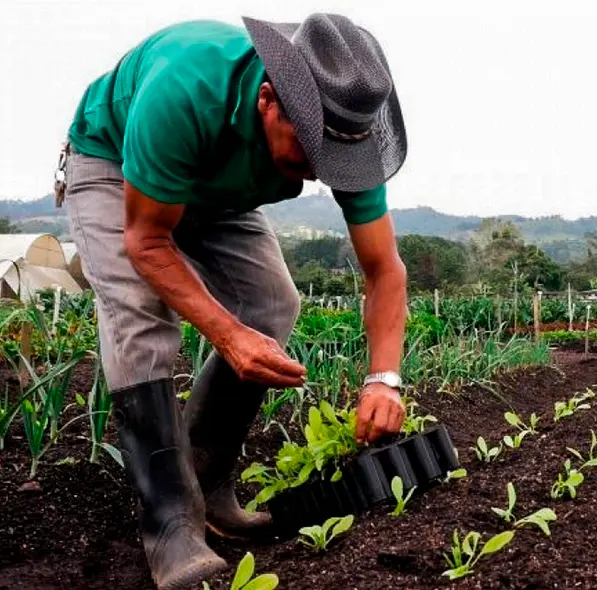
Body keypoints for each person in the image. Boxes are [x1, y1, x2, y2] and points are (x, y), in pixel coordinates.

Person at [56, 13, 409, 590]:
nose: (323, 174)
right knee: (143, 323)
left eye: (334, 162)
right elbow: (147, 243)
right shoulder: (186, 88)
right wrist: (228, 335)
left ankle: (207, 484)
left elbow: (383, 269)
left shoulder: (344, 131)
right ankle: (170, 523)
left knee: (271, 303)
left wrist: (383, 378)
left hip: (216, 188)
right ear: (268, 99)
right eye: (308, 153)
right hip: (116, 164)